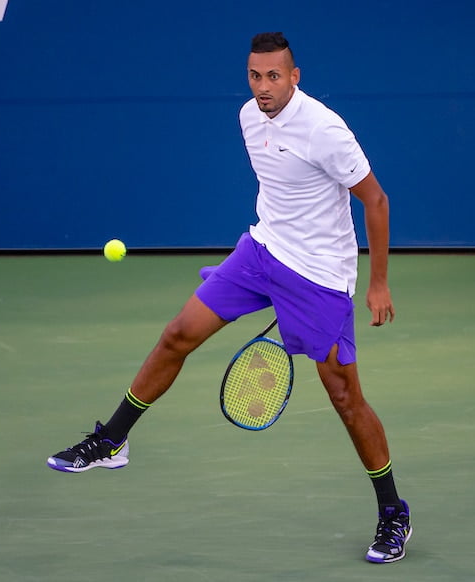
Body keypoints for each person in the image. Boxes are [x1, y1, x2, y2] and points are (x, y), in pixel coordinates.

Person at [47, 31, 411, 564]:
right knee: (178, 335)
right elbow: (281, 192)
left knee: (344, 397)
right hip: (261, 254)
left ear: (295, 76)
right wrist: (252, 262)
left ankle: (393, 512)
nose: (263, 87)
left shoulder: (325, 130)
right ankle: (112, 441)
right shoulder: (247, 116)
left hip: (319, 276)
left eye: (273, 76)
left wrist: (377, 282)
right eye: (254, 75)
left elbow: (375, 199)